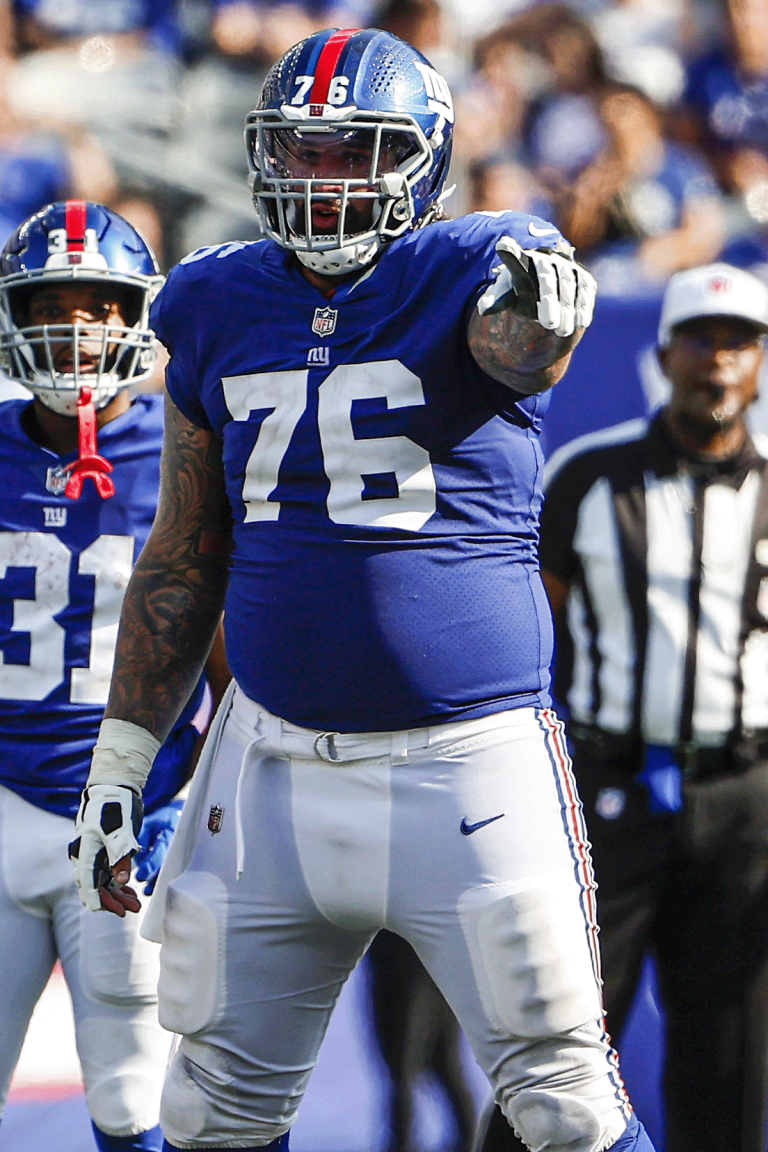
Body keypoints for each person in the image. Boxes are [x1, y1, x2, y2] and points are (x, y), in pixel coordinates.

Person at [68, 28, 654, 1152]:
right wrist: (125, 757)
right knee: (209, 1111)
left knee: (565, 1106)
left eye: (353, 154)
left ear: (420, 162)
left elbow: (526, 344)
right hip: (272, 765)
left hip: (467, 765)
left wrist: (545, 311)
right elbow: (186, 551)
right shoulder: (213, 301)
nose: (319, 180)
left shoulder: (473, 262)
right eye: (299, 152)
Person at [535, 262, 768, 1152]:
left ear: (759, 362)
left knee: (730, 1054)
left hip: (745, 791)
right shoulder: (589, 479)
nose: (718, 363)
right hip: (609, 787)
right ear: (664, 352)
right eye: (702, 341)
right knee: (557, 1042)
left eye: (739, 343)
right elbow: (525, 635)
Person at [0, 199, 206, 1152]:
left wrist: (195, 794)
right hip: (1, 806)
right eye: (52, 303)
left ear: (139, 318)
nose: (76, 327)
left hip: (132, 820)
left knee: (134, 1106)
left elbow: (234, 651)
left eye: (99, 305)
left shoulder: (194, 445)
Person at [365, 928, 476, 1152]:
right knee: (443, 1064)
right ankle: (470, 1141)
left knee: (402, 1069)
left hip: (399, 965)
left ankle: (401, 1144)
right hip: (437, 957)